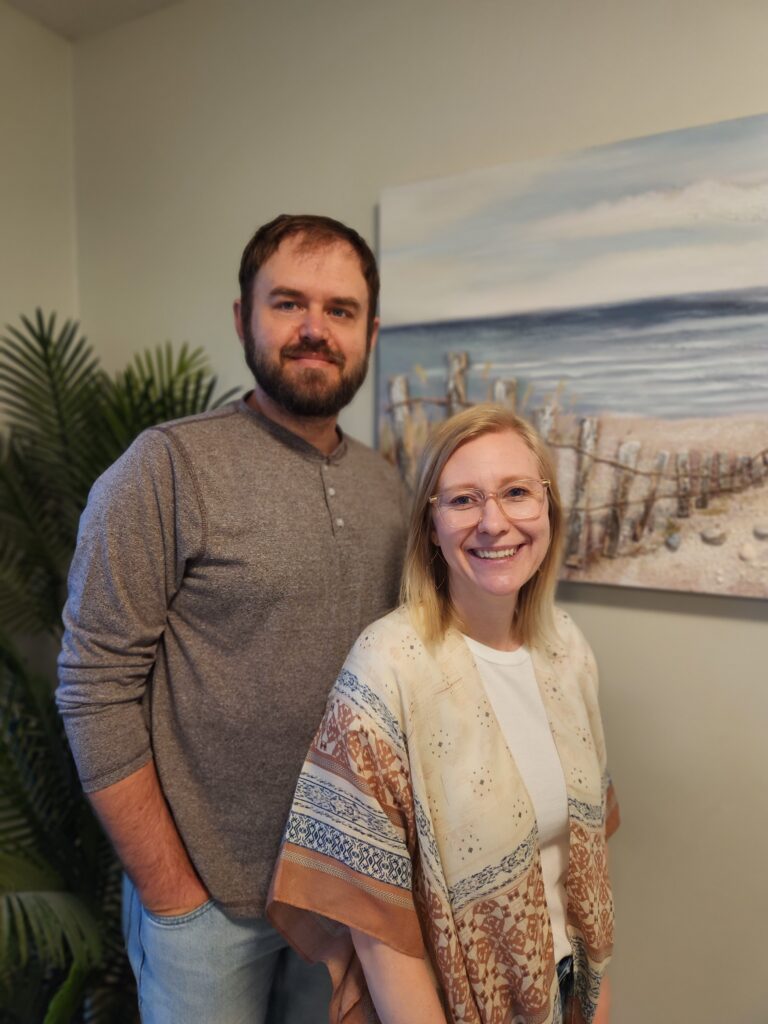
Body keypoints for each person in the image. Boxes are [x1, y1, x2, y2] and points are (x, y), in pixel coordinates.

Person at [56, 214, 407, 1024]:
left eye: (341, 310)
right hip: (207, 910)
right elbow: (93, 688)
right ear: (244, 317)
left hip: (342, 890)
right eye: (288, 303)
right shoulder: (165, 468)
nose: (315, 329)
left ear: (370, 332)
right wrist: (171, 893)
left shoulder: (387, 487)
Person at [268, 403, 619, 1024]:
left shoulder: (568, 650)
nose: (495, 522)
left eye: (517, 492)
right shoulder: (388, 666)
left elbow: (582, 866)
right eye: (463, 500)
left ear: (548, 509)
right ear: (431, 526)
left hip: (568, 992)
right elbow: (376, 923)